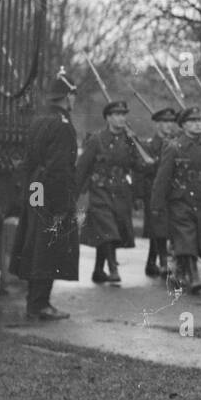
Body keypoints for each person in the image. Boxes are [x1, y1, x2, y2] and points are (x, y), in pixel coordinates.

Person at [10, 68, 78, 321]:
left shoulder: (39, 120)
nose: (75, 100)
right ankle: (40, 304)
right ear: (67, 96)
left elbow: (29, 161)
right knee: (48, 248)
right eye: (73, 94)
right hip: (51, 192)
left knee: (35, 245)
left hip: (36, 189)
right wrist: (62, 204)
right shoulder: (62, 125)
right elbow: (60, 168)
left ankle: (35, 302)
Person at [149, 107, 201, 295]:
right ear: (183, 125)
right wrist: (156, 205)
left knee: (196, 237)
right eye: (192, 121)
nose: (197, 124)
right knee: (186, 236)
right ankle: (193, 276)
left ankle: (183, 270)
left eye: (199, 121)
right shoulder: (174, 147)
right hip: (180, 199)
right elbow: (162, 178)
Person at [76, 99, 154, 285]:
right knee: (108, 230)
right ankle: (113, 268)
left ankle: (97, 270)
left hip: (121, 192)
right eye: (117, 115)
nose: (121, 119)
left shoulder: (129, 141)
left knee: (109, 231)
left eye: (123, 115)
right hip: (100, 191)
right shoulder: (97, 140)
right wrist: (75, 193)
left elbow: (138, 165)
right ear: (108, 118)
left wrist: (146, 159)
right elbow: (82, 167)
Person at [139, 106, 180, 278]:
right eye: (165, 122)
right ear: (157, 125)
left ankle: (152, 262)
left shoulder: (177, 144)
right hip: (154, 192)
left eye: (171, 122)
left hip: (173, 192)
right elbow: (142, 171)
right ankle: (162, 263)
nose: (169, 125)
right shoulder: (149, 146)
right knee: (158, 228)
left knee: (166, 228)